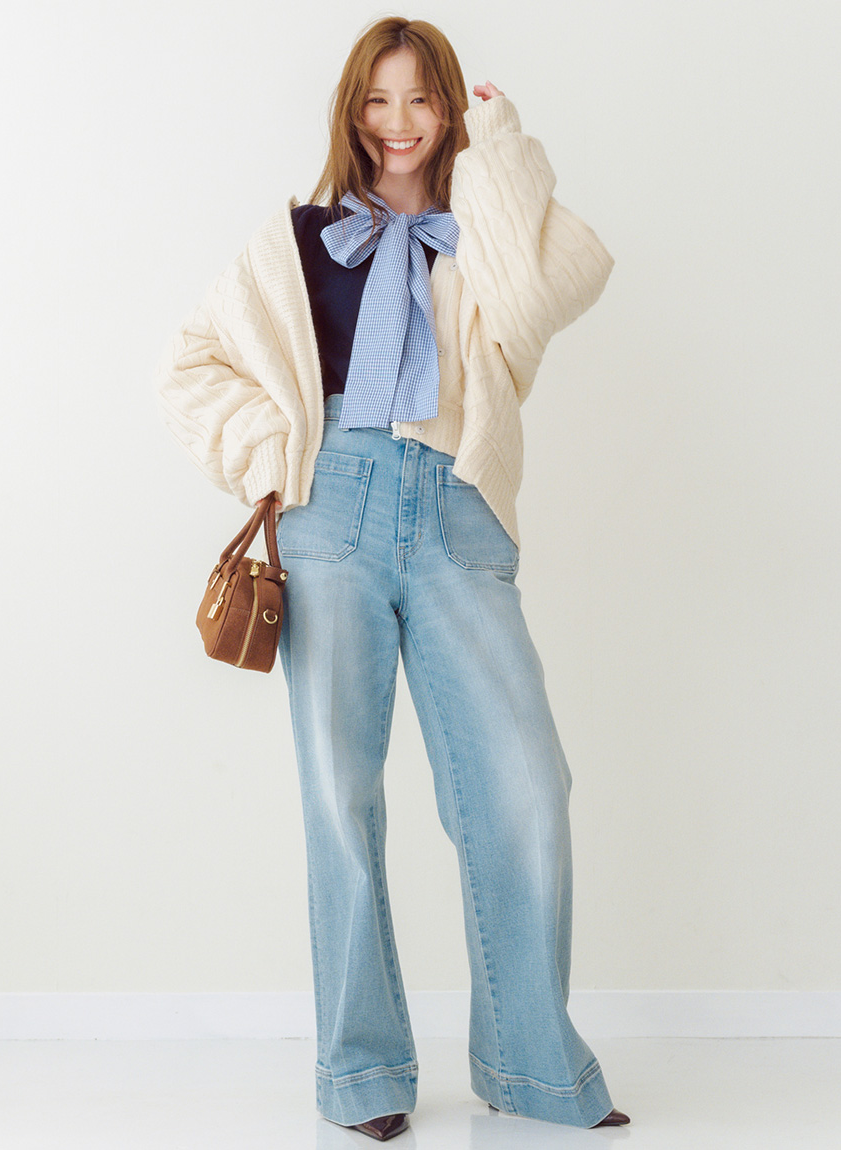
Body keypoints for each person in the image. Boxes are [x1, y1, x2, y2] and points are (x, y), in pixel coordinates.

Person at [156, 15, 628, 1142]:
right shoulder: (299, 238)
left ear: (449, 108)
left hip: (458, 508)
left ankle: (532, 1068)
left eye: (422, 98)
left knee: (527, 785)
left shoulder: (491, 240)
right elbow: (191, 363)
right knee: (342, 796)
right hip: (333, 509)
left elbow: (554, 290)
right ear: (350, 111)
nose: (399, 122)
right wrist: (275, 453)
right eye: (378, 99)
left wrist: (500, 148)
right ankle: (364, 1076)